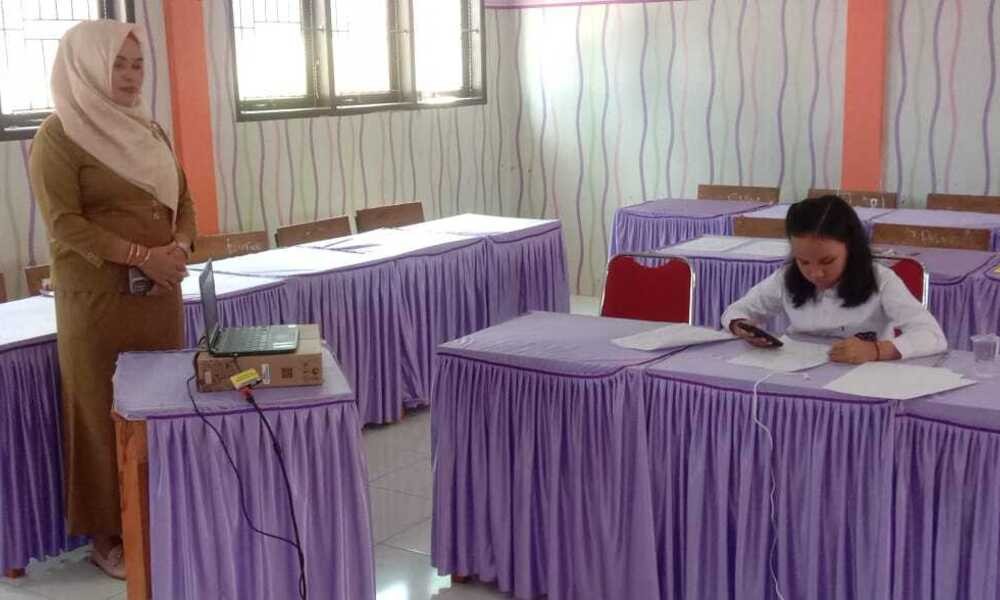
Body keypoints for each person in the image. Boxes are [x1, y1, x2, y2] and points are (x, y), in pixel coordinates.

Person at [29, 20, 197, 579]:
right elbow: (63, 223)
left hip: (159, 295)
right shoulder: (59, 135)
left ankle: (158, 513)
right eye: (117, 64)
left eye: (137, 64)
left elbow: (183, 199)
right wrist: (139, 254)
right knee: (103, 413)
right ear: (86, 68)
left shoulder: (149, 130)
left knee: (162, 403)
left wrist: (179, 246)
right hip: (98, 302)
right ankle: (108, 533)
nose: (129, 76)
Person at [721, 195, 947, 363]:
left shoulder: (882, 280)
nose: (815, 273)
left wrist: (877, 350)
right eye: (803, 261)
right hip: (796, 371)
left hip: (860, 378)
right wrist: (740, 325)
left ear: (851, 248)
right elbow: (737, 310)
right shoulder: (787, 277)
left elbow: (932, 335)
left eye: (827, 261)